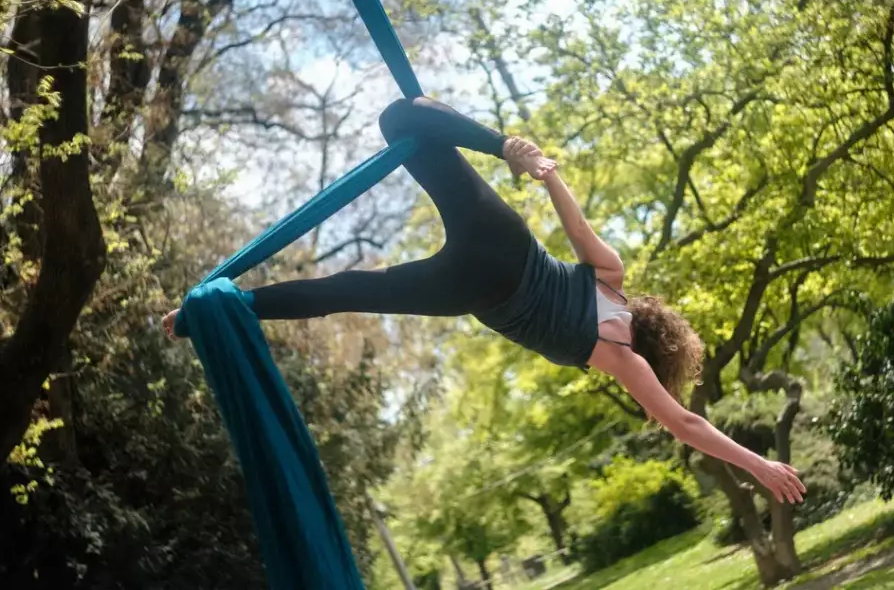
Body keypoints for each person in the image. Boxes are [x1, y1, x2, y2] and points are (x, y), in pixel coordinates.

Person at [163, 97, 805, 505]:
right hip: (476, 290)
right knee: (353, 291)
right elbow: (688, 425)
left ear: (654, 315)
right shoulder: (621, 361)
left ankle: (494, 141)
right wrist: (757, 465)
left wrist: (530, 163)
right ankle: (201, 317)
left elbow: (576, 228)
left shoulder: (610, 278)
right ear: (657, 355)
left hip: (504, 245)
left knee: (402, 118)